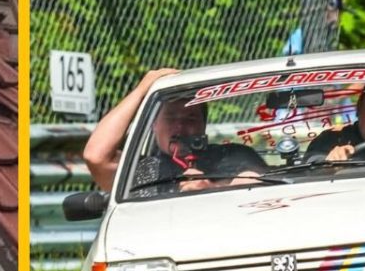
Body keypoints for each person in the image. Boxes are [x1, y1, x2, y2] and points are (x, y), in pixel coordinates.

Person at [83, 69, 265, 195]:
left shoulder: (233, 156)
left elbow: (265, 190)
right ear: (154, 125)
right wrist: (141, 91)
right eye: (171, 118)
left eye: (190, 118)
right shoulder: (139, 172)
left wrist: (212, 188)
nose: (180, 127)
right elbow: (96, 156)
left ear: (203, 124)